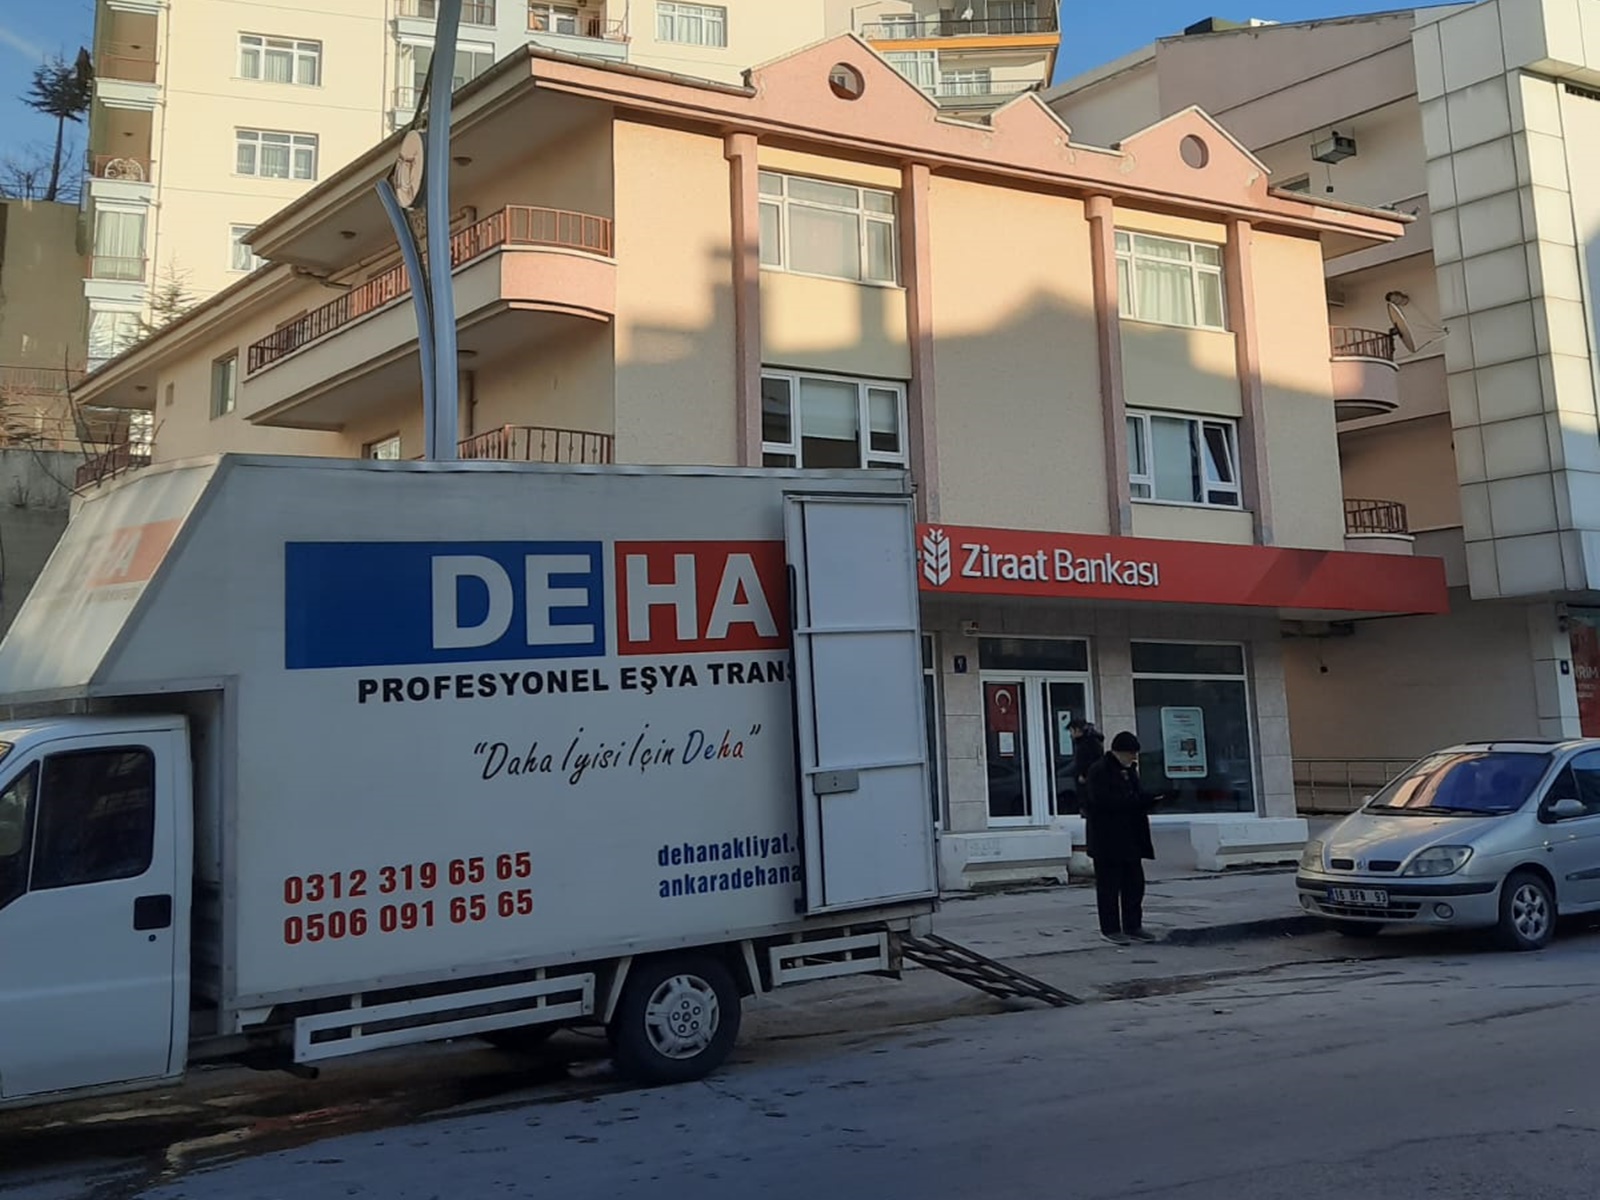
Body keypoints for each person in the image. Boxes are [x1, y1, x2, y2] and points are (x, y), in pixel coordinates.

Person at [1083, 731, 1164, 946]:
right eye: (1131, 753)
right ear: (1118, 752)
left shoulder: (1129, 771)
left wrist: (1151, 799)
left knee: (1134, 885)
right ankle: (1110, 928)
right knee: (1109, 887)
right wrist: (1136, 801)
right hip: (1107, 839)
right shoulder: (1100, 771)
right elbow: (1104, 802)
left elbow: (1136, 796)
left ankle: (1133, 925)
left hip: (1131, 838)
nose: (1134, 758)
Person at [1067, 719, 1104, 811]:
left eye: (1071, 731)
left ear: (1077, 730)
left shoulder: (1089, 743)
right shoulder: (1083, 742)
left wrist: (1084, 774)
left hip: (1090, 783)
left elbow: (1093, 761)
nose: (1070, 735)